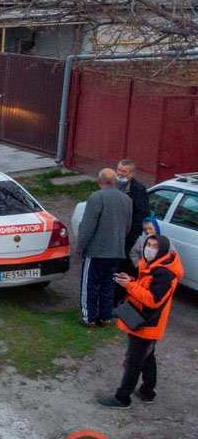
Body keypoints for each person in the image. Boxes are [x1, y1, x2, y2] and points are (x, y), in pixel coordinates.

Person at [99, 234, 184, 409]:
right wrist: (131, 280)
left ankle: (123, 398)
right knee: (147, 357)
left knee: (133, 361)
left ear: (163, 251)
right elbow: (146, 288)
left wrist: (129, 286)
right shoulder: (156, 267)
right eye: (149, 244)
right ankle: (147, 391)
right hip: (147, 322)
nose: (149, 248)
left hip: (146, 324)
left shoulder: (164, 274)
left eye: (155, 246)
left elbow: (152, 299)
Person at [75, 168, 133, 328]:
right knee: (108, 284)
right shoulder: (126, 200)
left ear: (99, 180)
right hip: (116, 251)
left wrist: (80, 247)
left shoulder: (96, 198)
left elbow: (87, 227)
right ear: (114, 181)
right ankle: (105, 316)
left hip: (96, 251)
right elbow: (127, 227)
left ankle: (89, 317)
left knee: (90, 284)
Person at [116, 159, 150, 259]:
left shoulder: (138, 189)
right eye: (119, 170)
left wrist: (131, 237)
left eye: (124, 171)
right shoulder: (112, 184)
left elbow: (142, 214)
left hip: (126, 236)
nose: (120, 173)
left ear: (132, 174)